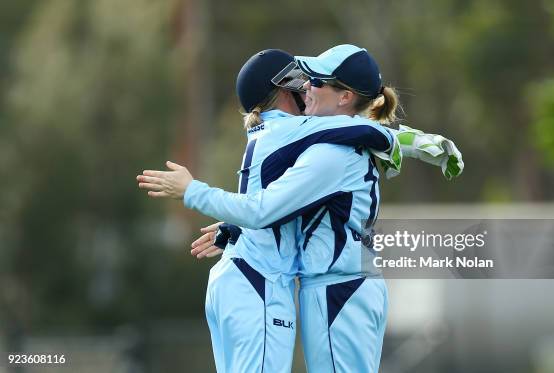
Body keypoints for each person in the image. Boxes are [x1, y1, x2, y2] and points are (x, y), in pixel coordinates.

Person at [137, 47, 400, 373]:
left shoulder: (288, 136)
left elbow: (277, 205)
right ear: (283, 88)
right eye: (303, 81)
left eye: (315, 81)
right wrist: (196, 193)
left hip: (261, 280)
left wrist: (231, 226)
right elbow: (267, 207)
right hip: (264, 283)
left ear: (345, 96)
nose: (307, 87)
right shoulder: (300, 133)